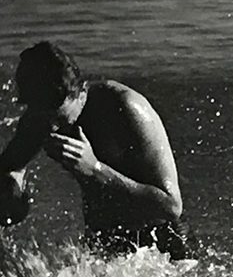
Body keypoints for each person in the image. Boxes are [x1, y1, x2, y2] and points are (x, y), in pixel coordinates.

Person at [0, 41, 195, 259]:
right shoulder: (40, 116)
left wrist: (94, 168)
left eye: (60, 118)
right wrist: (12, 193)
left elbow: (171, 206)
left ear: (81, 93)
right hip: (103, 238)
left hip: (163, 242)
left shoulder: (126, 108)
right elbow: (9, 168)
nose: (53, 127)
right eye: (43, 117)